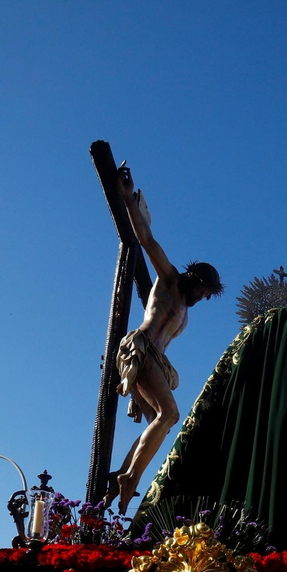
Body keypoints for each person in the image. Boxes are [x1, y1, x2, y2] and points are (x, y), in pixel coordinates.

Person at [104, 165, 224, 514]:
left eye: (206, 293)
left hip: (157, 360)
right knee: (170, 413)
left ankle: (122, 476)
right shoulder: (169, 280)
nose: (201, 295)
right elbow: (146, 239)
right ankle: (129, 478)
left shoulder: (186, 311)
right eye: (201, 287)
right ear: (191, 277)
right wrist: (128, 198)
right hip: (140, 350)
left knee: (159, 422)